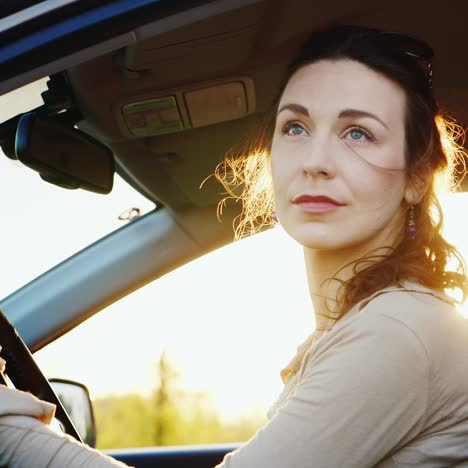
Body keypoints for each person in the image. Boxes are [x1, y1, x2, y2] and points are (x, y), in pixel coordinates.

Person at [213, 24, 468, 467]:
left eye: (358, 134)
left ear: (417, 177)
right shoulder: (361, 324)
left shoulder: (398, 329)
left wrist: (45, 445)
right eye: (295, 127)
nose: (315, 162)